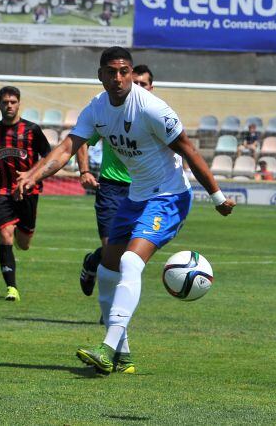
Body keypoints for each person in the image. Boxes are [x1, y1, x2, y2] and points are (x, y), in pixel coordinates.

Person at [16, 47, 235, 375]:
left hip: (169, 196)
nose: (118, 78)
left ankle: (106, 347)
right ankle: (124, 354)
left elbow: (189, 150)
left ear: (131, 73)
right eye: (111, 72)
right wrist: (33, 174)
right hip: (135, 197)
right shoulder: (97, 109)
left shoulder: (151, 108)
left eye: (124, 71)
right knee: (107, 271)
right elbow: (66, 148)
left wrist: (217, 198)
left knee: (131, 261)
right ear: (100, 75)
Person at [76, 65, 153, 299]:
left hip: (144, 190)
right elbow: (81, 140)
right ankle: (110, 310)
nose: (139, 88)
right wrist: (84, 171)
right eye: (136, 83)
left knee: (130, 255)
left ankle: (93, 260)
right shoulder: (112, 112)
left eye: (144, 84)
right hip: (111, 188)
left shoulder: (157, 114)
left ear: (152, 87)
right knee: (116, 252)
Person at [0, 86, 50, 301]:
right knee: (5, 234)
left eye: (13, 102)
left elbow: (48, 157)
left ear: (19, 104)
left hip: (29, 191)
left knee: (24, 243)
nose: (9, 106)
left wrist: (32, 174)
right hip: (2, 191)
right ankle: (12, 288)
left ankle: (24, 233)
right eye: (5, 102)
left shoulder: (32, 130)